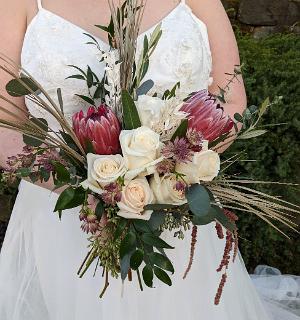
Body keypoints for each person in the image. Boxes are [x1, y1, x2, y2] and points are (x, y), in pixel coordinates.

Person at [0, 0, 291, 319]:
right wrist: (95, 190)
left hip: (176, 215)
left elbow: (231, 99)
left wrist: (169, 175)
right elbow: (6, 124)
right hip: (64, 221)